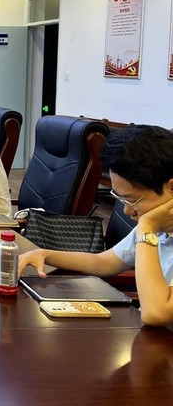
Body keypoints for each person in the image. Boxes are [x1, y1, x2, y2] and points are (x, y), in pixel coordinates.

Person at [18, 125, 173, 327]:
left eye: (132, 200)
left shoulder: (149, 227)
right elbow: (103, 262)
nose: (127, 210)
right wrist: (45, 254)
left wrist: (146, 229)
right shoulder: (158, 229)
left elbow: (156, 313)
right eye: (121, 199)